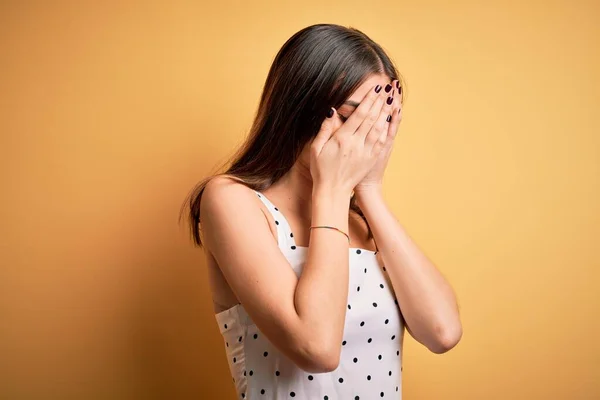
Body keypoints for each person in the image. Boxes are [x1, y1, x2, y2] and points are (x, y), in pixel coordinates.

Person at [183, 23, 462, 400]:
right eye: (352, 119)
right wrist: (331, 189)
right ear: (301, 108)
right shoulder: (232, 201)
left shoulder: (361, 219)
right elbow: (316, 347)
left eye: (381, 121)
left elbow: (443, 332)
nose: (366, 138)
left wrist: (368, 189)